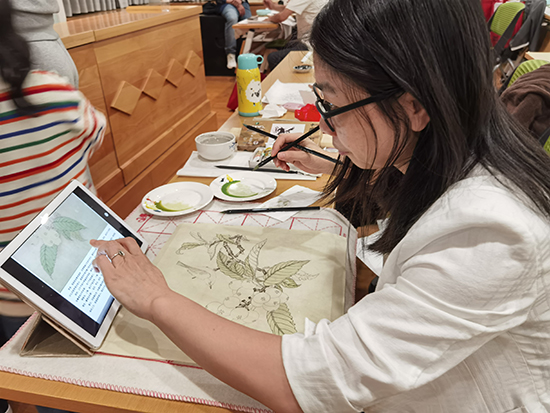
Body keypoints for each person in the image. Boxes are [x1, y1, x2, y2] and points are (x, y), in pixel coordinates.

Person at [92, 0, 550, 411]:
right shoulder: (463, 152)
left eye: (330, 103)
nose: (325, 127)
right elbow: (418, 197)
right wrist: (332, 161)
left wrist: (155, 298)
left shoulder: (491, 230)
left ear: (413, 106)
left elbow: (304, 383)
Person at [0, 1, 105, 412]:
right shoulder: (51, 89)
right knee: (77, 387)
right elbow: (94, 134)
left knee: (26, 383)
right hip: (77, 274)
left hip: (8, 292)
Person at [263, 0, 327, 70]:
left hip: (310, 45)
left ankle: (284, 76)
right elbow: (292, 8)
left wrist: (269, 19)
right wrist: (273, 6)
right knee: (281, 45)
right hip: (318, 42)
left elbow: (282, 17)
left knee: (273, 58)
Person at [216, 0, 252, 69]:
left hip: (242, 3)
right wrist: (236, 3)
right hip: (225, 3)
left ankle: (246, 53)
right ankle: (230, 54)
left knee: (249, 22)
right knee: (232, 18)